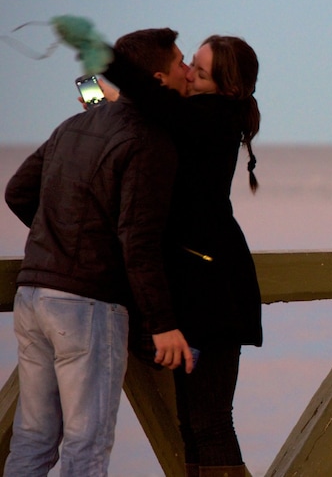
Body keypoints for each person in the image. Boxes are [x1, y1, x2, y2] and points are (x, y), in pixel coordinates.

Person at [4, 27, 195, 476]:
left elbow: (18, 193)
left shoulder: (77, 123)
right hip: (87, 306)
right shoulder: (151, 141)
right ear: (157, 79)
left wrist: (62, 239)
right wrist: (163, 323)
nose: (188, 71)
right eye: (181, 62)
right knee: (86, 447)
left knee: (32, 439)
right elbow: (138, 239)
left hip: (33, 295)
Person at [107, 34, 262, 477]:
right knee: (192, 424)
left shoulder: (213, 115)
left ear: (226, 87)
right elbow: (149, 112)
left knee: (211, 423)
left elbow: (157, 105)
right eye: (191, 63)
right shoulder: (196, 118)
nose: (190, 73)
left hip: (214, 290)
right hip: (197, 284)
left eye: (200, 71)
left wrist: (107, 60)